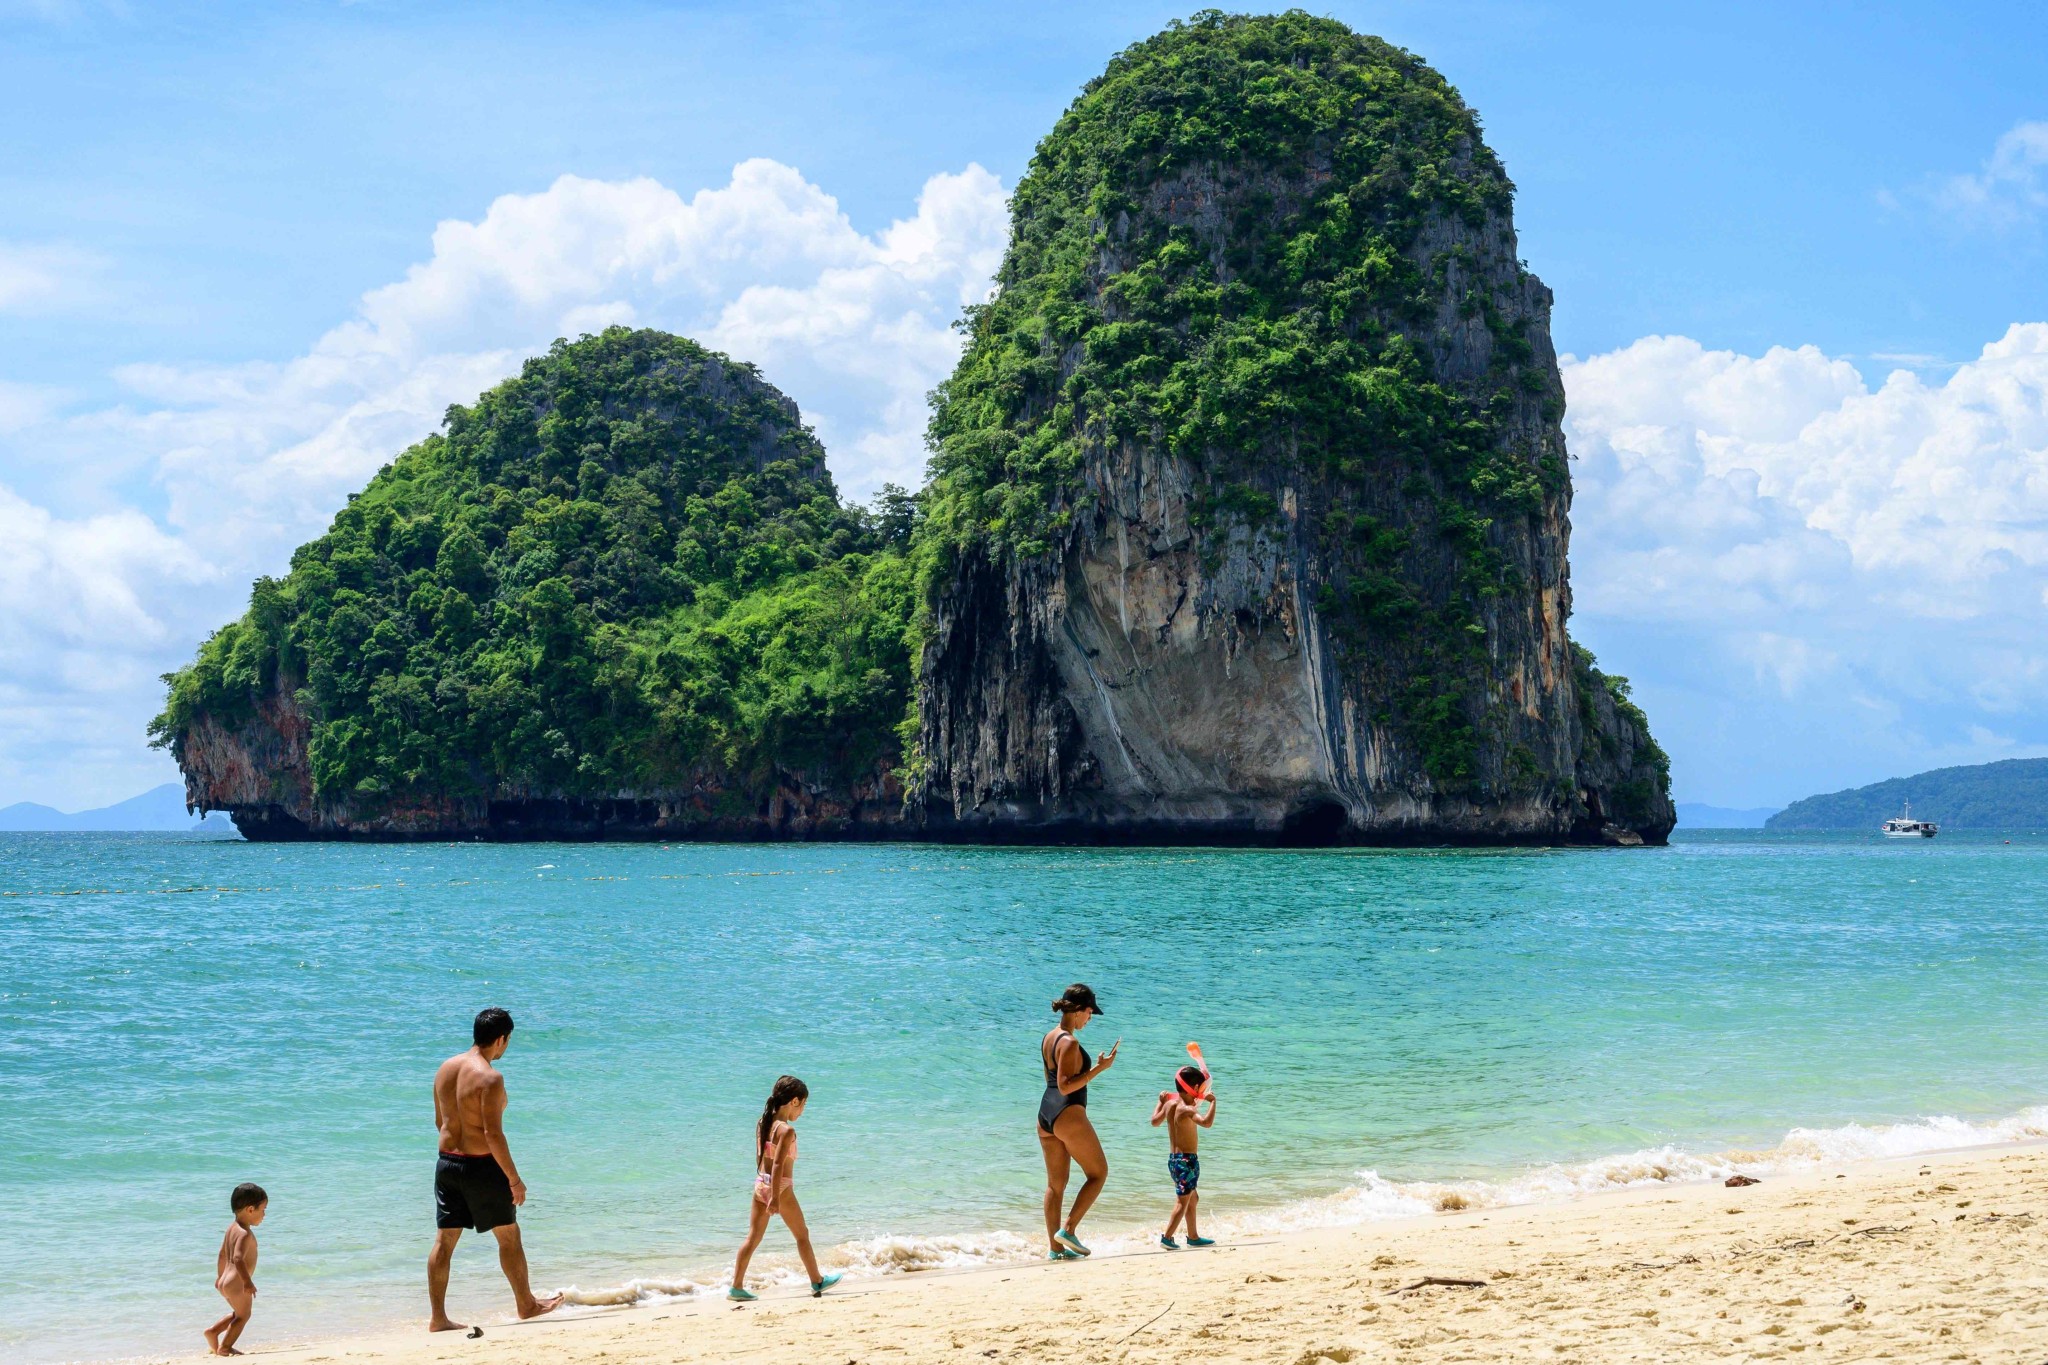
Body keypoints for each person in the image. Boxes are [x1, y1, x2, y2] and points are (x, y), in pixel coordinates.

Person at [427, 1007, 560, 1331]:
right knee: (509, 1236)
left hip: (447, 1163)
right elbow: (492, 1134)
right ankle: (526, 1305)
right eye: (508, 1041)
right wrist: (514, 1180)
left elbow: (439, 1122)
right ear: (501, 1039)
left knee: (444, 1241)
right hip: (481, 1167)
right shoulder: (490, 1077)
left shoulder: (446, 1068)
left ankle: (438, 1319)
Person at [729, 1074, 842, 1301]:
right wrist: (775, 1198)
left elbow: (762, 1158)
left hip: (761, 1183)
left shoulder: (763, 1123)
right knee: (802, 1235)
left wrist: (766, 1190)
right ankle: (817, 1280)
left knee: (752, 1238)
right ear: (794, 1101)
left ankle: (736, 1288)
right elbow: (779, 1163)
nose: (802, 1111)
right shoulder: (786, 1130)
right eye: (804, 1105)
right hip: (780, 1188)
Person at [1037, 983, 1118, 1259]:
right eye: (1090, 1013)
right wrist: (1100, 1068)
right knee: (1099, 1173)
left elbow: (1053, 1082)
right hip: (1068, 1112)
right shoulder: (1070, 1042)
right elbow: (1065, 1086)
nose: (1090, 1018)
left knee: (1054, 1186)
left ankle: (1055, 1250)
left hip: (1046, 1115)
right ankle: (1068, 1230)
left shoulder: (1050, 1037)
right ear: (1080, 1011)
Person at [1150, 1065, 1218, 1247]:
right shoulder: (1188, 1109)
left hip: (1174, 1161)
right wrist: (1213, 1103)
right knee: (1182, 1202)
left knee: (1192, 1198)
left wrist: (1160, 1101)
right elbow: (1207, 1123)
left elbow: (1154, 1121)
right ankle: (1167, 1237)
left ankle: (1193, 1237)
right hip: (1187, 1161)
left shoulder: (1170, 1105)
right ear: (1195, 1088)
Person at [203, 1183, 266, 1356]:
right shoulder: (245, 1234)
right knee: (244, 1316)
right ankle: (225, 1347)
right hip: (237, 1282)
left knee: (238, 1313)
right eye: (263, 1210)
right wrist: (247, 1282)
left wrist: (219, 1278)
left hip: (226, 1280)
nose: (264, 1215)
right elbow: (237, 1258)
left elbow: (222, 1254)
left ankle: (213, 1331)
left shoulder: (232, 1229)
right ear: (251, 1210)